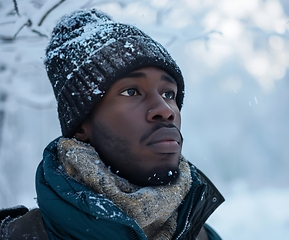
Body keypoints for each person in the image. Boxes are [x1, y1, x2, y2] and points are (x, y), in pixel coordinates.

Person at [0, 9, 224, 240]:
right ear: (80, 125)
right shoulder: (19, 235)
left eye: (169, 94)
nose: (165, 110)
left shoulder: (204, 236)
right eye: (131, 91)